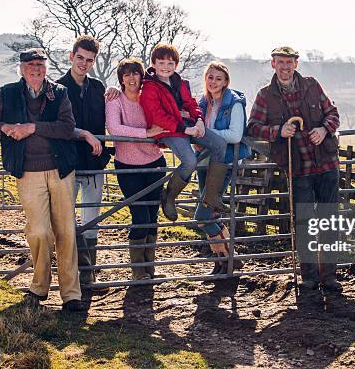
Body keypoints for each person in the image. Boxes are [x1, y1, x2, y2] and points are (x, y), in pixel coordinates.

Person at [0, 48, 86, 311]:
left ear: (46, 67)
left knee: (66, 231)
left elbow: (65, 127)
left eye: (40, 64)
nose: (36, 69)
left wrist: (32, 128)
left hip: (61, 169)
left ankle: (71, 294)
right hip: (28, 171)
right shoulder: (8, 92)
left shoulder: (59, 93)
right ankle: (39, 287)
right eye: (31, 65)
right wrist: (5, 127)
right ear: (22, 68)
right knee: (38, 231)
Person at [247, 46, 342, 294]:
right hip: (297, 166)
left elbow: (333, 113)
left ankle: (329, 276)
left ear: (296, 64)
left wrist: (324, 129)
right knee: (303, 222)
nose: (285, 67)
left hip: (326, 164)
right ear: (273, 64)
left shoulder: (312, 85)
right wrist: (277, 131)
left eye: (289, 62)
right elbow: (253, 127)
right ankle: (309, 276)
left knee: (329, 219)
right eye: (281, 62)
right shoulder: (266, 95)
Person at [140, 43, 228, 221]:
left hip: (188, 126)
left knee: (220, 144)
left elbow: (191, 105)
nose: (166, 67)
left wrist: (199, 120)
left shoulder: (180, 82)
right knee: (189, 161)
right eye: (161, 63)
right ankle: (169, 197)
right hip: (169, 130)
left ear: (176, 65)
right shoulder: (149, 87)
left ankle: (211, 195)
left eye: (170, 63)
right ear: (153, 64)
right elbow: (157, 115)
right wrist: (184, 127)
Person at [56, 35, 110, 292]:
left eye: (89, 60)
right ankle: (69, 276)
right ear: (71, 56)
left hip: (95, 163)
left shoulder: (99, 88)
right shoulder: (57, 88)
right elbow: (58, 126)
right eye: (80, 58)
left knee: (91, 218)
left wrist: (117, 92)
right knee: (66, 218)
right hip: (68, 164)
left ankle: (87, 276)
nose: (84, 63)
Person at [105, 57, 166, 280]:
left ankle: (150, 269)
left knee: (152, 216)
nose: (131, 78)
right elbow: (114, 128)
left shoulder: (148, 98)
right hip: (128, 166)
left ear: (142, 77)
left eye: (135, 73)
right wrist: (146, 134)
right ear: (121, 78)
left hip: (154, 163)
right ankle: (138, 272)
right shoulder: (115, 100)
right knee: (139, 215)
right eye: (127, 74)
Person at [194, 62, 250, 274]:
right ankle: (221, 261)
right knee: (210, 215)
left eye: (218, 78)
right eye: (210, 77)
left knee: (203, 215)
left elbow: (235, 135)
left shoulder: (234, 103)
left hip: (222, 162)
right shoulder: (202, 102)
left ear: (226, 81)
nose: (213, 82)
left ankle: (230, 258)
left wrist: (206, 135)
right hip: (203, 160)